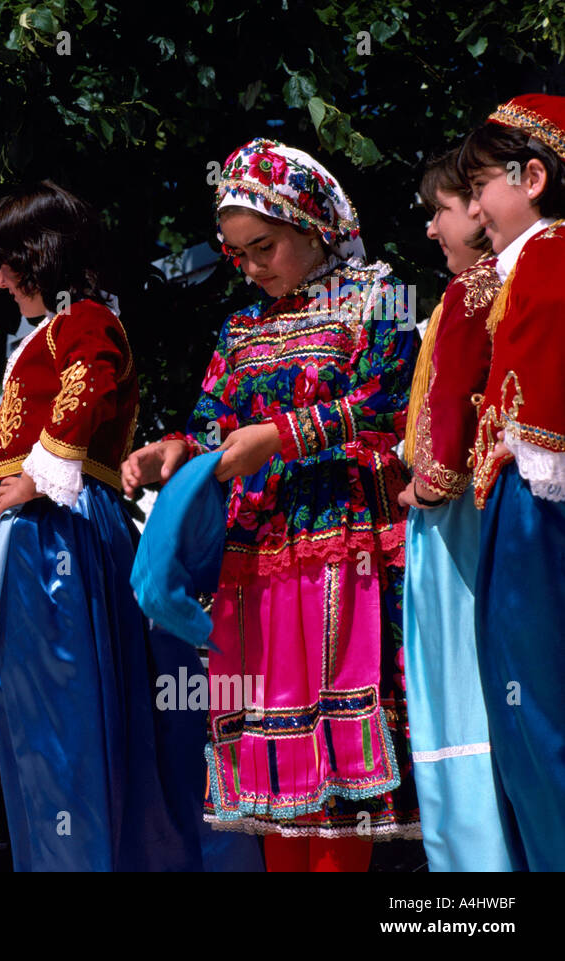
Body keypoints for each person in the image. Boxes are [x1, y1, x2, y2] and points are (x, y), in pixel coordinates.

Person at [123, 140, 421, 871]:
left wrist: (279, 436)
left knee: (340, 770)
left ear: (315, 225)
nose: (252, 267)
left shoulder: (385, 294)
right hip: (255, 562)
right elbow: (209, 423)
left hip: (345, 548)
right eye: (237, 254)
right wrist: (173, 452)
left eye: (265, 246)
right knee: (272, 769)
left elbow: (388, 401)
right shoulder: (240, 328)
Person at [0, 182, 202, 871]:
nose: (1, 279)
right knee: (38, 728)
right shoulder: (53, 328)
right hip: (42, 531)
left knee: (66, 724)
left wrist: (40, 476)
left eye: (12, 261)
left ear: (44, 257)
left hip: (58, 537)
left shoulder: (88, 320)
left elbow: (91, 381)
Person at [398, 148, 512, 871]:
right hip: (476, 509)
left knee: (454, 699)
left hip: (455, 521)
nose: (434, 229)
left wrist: (426, 483)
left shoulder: (474, 291)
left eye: (443, 208)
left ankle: (474, 880)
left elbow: (451, 410)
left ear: (477, 207)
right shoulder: (485, 287)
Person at [461, 94, 565, 871]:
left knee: (538, 712)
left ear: (532, 177)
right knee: (523, 713)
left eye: (479, 188)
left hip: (539, 510)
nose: (472, 210)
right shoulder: (522, 268)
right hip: (519, 505)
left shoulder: (550, 264)